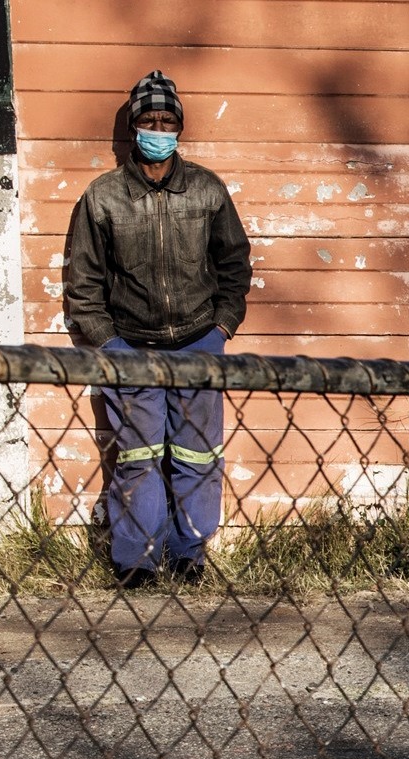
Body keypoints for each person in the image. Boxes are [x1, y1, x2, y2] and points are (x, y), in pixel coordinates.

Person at [64, 70, 252, 585]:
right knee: (138, 459)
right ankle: (137, 563)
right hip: (130, 347)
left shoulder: (207, 190)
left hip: (199, 343)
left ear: (179, 128)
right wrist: (110, 344)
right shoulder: (103, 197)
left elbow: (234, 263)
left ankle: (189, 555)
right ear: (133, 128)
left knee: (197, 454)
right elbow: (84, 282)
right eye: (148, 120)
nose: (158, 128)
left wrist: (222, 328)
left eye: (167, 120)